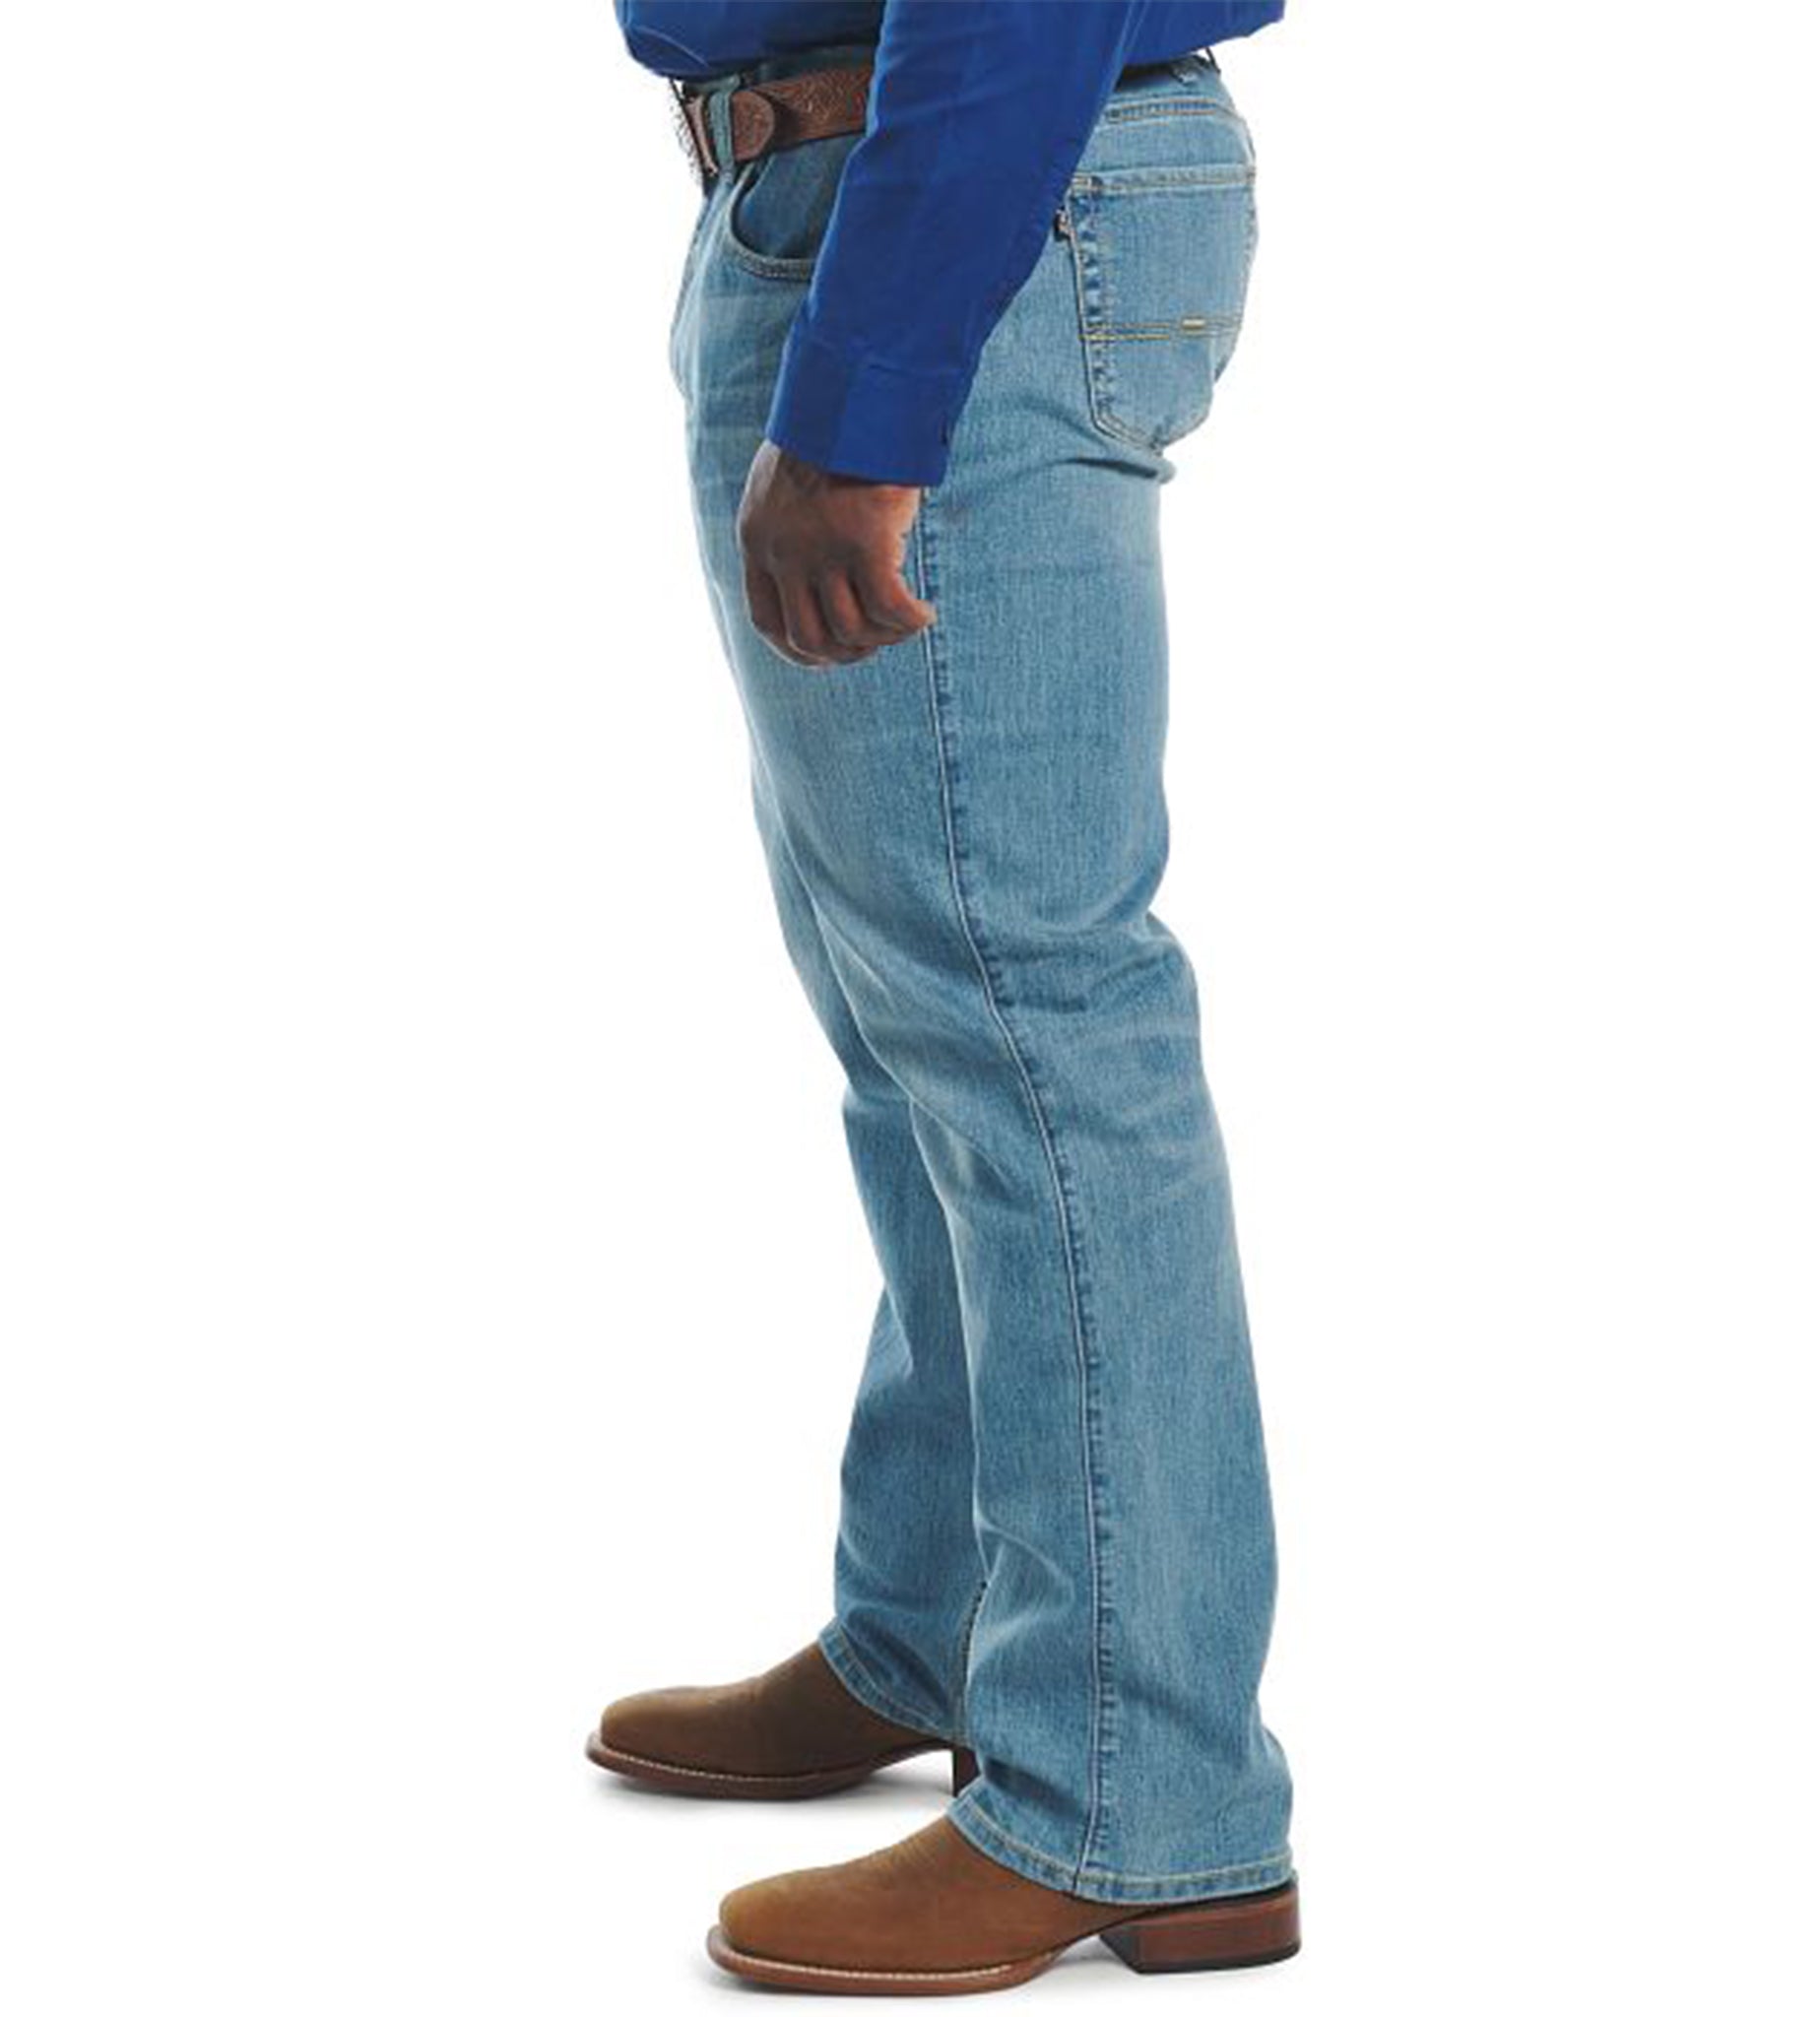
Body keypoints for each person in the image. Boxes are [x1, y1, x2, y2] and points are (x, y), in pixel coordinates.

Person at [593, 2, 1300, 1993]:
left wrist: (869, 392)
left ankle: (1139, 1798)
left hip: (962, 192)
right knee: (916, 1014)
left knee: (1030, 1026)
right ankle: (946, 1627)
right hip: (886, 188)